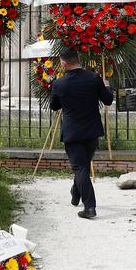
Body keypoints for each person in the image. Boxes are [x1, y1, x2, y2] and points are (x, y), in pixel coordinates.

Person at [49, 45, 113, 219]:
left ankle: (90, 208)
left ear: (63, 64)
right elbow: (108, 100)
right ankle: (76, 192)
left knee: (81, 168)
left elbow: (54, 106)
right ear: (78, 60)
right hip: (92, 131)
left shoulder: (59, 83)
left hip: (72, 132)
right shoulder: (94, 78)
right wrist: (107, 86)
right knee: (82, 167)